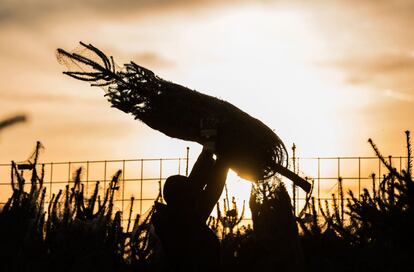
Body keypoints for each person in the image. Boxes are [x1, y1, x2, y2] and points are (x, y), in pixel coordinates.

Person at [152, 147, 229, 272]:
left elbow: (196, 183)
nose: (197, 192)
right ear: (185, 197)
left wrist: (208, 153)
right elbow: (209, 190)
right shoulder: (190, 222)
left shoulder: (177, 217)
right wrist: (222, 159)